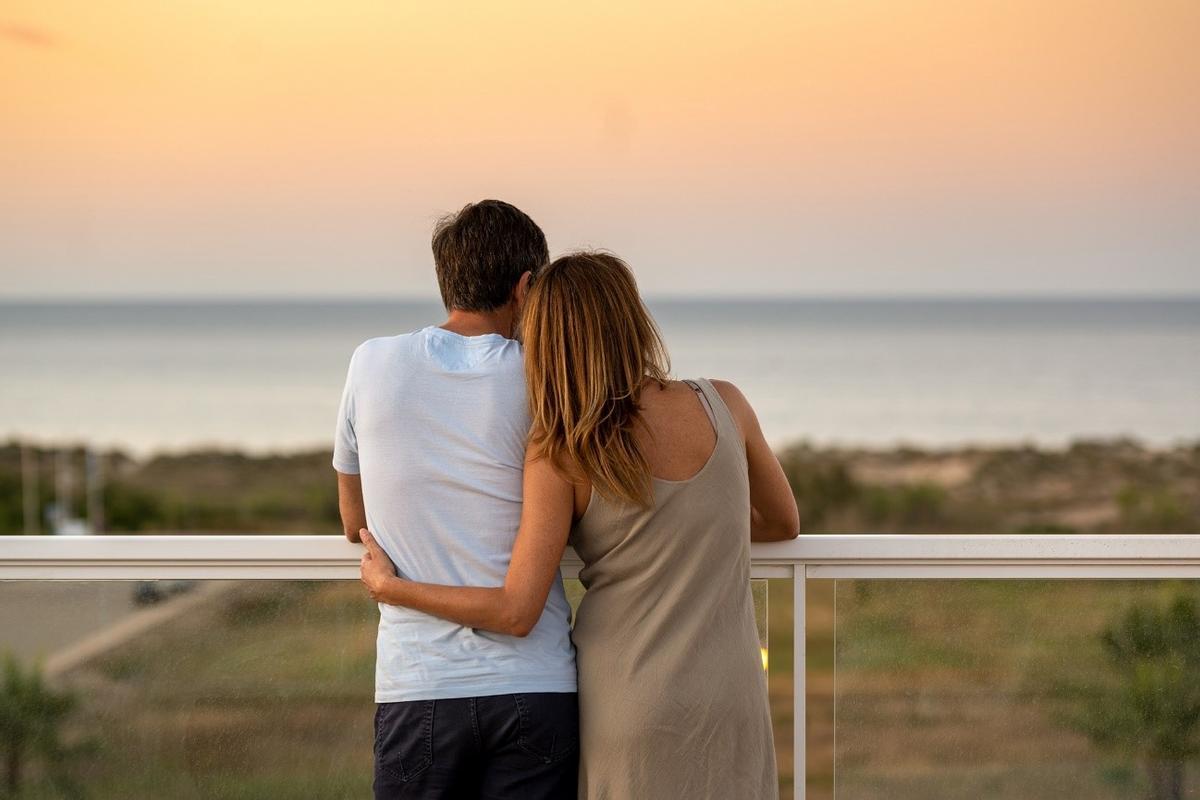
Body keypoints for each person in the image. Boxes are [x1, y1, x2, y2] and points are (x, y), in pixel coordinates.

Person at [359, 251, 800, 799]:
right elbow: (782, 521)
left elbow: (516, 610)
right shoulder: (725, 403)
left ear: (547, 340)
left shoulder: (564, 449)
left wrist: (391, 587)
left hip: (628, 703)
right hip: (733, 697)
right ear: (633, 317)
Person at [334, 200, 578, 800]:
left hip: (418, 684)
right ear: (526, 289)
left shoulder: (372, 363)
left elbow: (354, 523)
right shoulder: (542, 376)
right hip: (536, 683)